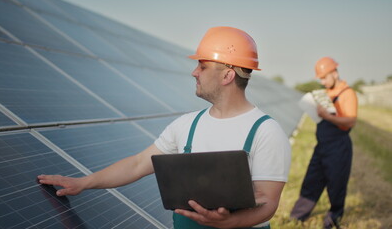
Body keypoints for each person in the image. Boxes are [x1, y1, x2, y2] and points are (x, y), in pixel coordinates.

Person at [38, 26, 291, 229]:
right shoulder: (187, 125)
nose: (194, 72)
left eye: (202, 66)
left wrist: (229, 223)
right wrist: (84, 183)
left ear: (227, 75)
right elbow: (138, 164)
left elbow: (267, 202)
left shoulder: (265, 132)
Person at [290, 57, 358, 229]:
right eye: (320, 78)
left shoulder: (347, 93)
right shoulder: (325, 93)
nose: (322, 81)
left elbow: (350, 121)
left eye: (324, 77)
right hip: (322, 146)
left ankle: (332, 220)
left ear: (334, 73)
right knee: (311, 181)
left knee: (336, 185)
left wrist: (327, 117)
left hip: (338, 146)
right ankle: (297, 217)